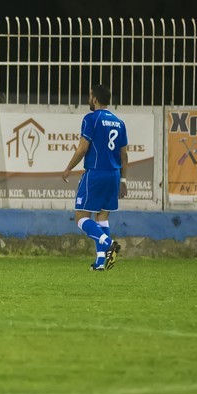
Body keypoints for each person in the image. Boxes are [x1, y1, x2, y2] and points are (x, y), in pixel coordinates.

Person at [62, 84, 128, 271]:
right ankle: (100, 263)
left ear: (95, 99)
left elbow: (83, 148)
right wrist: (123, 180)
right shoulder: (119, 122)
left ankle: (108, 243)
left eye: (90, 96)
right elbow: (124, 156)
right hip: (114, 175)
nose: (89, 99)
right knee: (102, 217)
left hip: (96, 173)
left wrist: (68, 168)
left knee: (80, 217)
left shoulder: (91, 119)